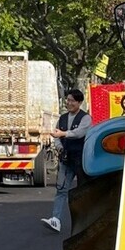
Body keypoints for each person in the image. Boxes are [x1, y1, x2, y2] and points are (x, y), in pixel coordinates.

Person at [42, 88, 93, 233]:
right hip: (66, 159)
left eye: (72, 100)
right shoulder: (62, 118)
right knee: (61, 190)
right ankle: (55, 219)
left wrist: (63, 134)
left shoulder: (86, 118)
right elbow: (56, 136)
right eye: (67, 100)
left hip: (82, 160)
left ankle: (87, 221)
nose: (68, 103)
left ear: (79, 102)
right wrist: (59, 148)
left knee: (84, 190)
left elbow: (79, 133)